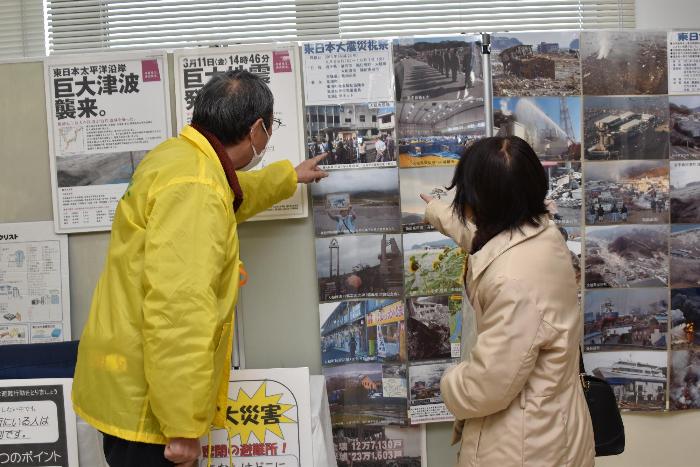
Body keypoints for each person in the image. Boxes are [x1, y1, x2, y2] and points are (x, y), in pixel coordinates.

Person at [72, 70, 328, 467]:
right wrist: (181, 426)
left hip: (128, 385)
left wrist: (287, 177)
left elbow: (232, 194)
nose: (270, 136)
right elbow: (179, 311)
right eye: (271, 126)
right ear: (257, 129)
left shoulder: (178, 158)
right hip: (152, 412)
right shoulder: (197, 187)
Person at [420, 136, 594, 466]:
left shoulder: (514, 282)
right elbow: (489, 244)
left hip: (521, 446)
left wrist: (448, 383)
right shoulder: (541, 235)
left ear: (483, 202)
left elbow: (486, 387)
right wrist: (438, 212)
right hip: (547, 429)